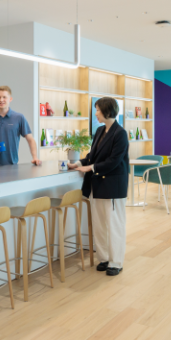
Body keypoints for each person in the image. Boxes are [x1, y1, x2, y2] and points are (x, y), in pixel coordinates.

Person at [68, 97, 129, 276]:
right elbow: (92, 156)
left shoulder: (120, 133)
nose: (96, 114)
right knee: (100, 224)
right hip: (98, 184)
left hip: (113, 186)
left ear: (107, 111)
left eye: (98, 110)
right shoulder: (100, 131)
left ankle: (116, 262)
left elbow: (114, 161)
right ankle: (104, 258)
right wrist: (78, 163)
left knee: (114, 224)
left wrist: (91, 168)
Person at [0, 86, 42, 168]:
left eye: (4, 97)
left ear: (10, 99)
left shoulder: (19, 117)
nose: (1, 100)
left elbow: (30, 139)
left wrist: (35, 157)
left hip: (11, 166)